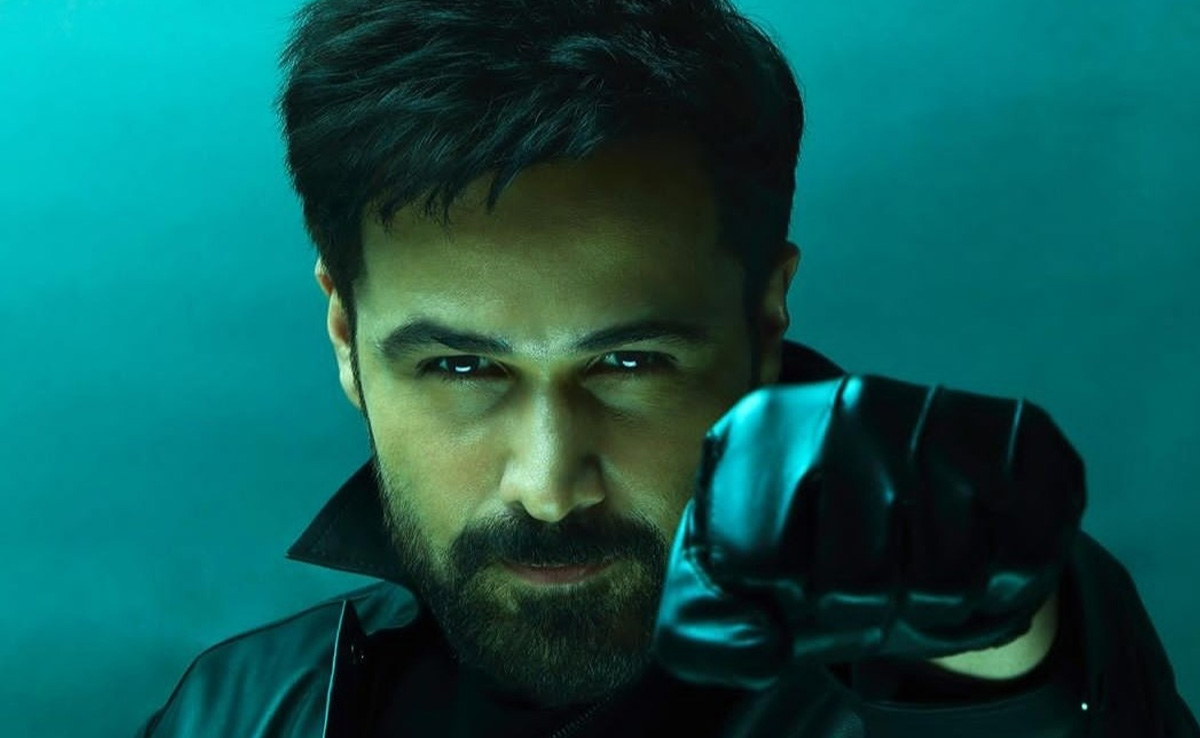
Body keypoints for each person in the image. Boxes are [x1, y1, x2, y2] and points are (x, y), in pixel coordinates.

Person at [134, 0, 1198, 736]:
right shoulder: (239, 709)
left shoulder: (949, 663)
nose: (548, 486)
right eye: (461, 368)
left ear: (764, 320)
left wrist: (1005, 651)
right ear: (344, 337)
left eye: (629, 361)